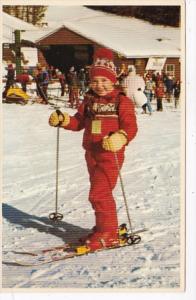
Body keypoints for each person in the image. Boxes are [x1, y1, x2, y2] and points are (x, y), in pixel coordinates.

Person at [49, 48, 138, 252]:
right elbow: (79, 122)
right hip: (91, 153)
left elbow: (130, 126)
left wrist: (121, 137)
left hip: (110, 155)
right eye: (95, 81)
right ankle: (102, 228)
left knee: (98, 193)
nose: (99, 85)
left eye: (104, 81)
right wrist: (64, 120)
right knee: (100, 193)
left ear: (113, 80)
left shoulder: (121, 101)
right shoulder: (89, 100)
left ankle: (109, 233)